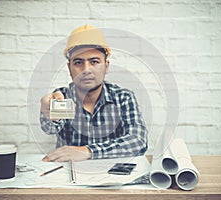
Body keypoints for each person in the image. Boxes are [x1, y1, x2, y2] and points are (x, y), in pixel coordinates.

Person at [40, 24, 148, 162]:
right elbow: (49, 129)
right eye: (78, 62)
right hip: (67, 174)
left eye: (94, 61)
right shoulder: (62, 97)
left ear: (106, 66)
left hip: (112, 175)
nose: (86, 70)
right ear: (69, 68)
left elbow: (138, 141)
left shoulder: (123, 98)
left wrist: (88, 151)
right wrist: (48, 114)